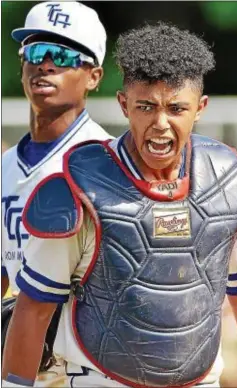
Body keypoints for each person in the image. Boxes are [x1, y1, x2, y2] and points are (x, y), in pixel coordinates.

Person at [2, 22, 237, 388]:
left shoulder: (227, 180)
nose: (161, 123)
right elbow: (34, 308)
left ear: (201, 108)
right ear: (123, 104)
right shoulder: (78, 188)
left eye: (176, 108)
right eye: (146, 106)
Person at [1, 0, 111, 383]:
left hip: (93, 369)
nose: (44, 64)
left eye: (61, 55)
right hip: (26, 364)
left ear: (94, 76)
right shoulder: (5, 166)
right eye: (35, 51)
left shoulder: (107, 163)